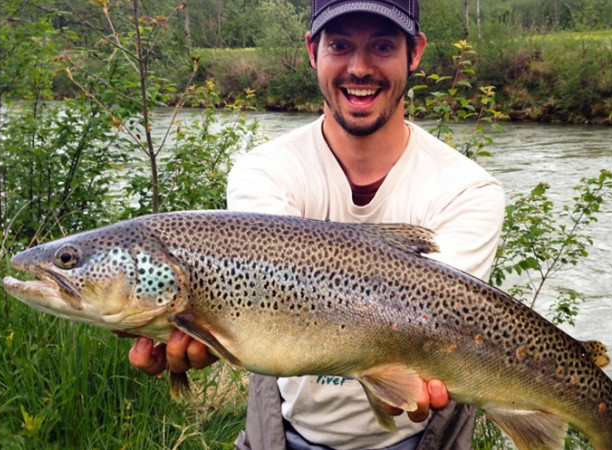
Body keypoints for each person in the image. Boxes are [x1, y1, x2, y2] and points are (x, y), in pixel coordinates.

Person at [126, 1, 504, 448]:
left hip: (422, 437)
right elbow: (276, 291)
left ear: (415, 52)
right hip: (284, 432)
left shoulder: (468, 189)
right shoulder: (264, 171)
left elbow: (445, 324)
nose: (359, 68)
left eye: (382, 46)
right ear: (312, 50)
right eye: (340, 45)